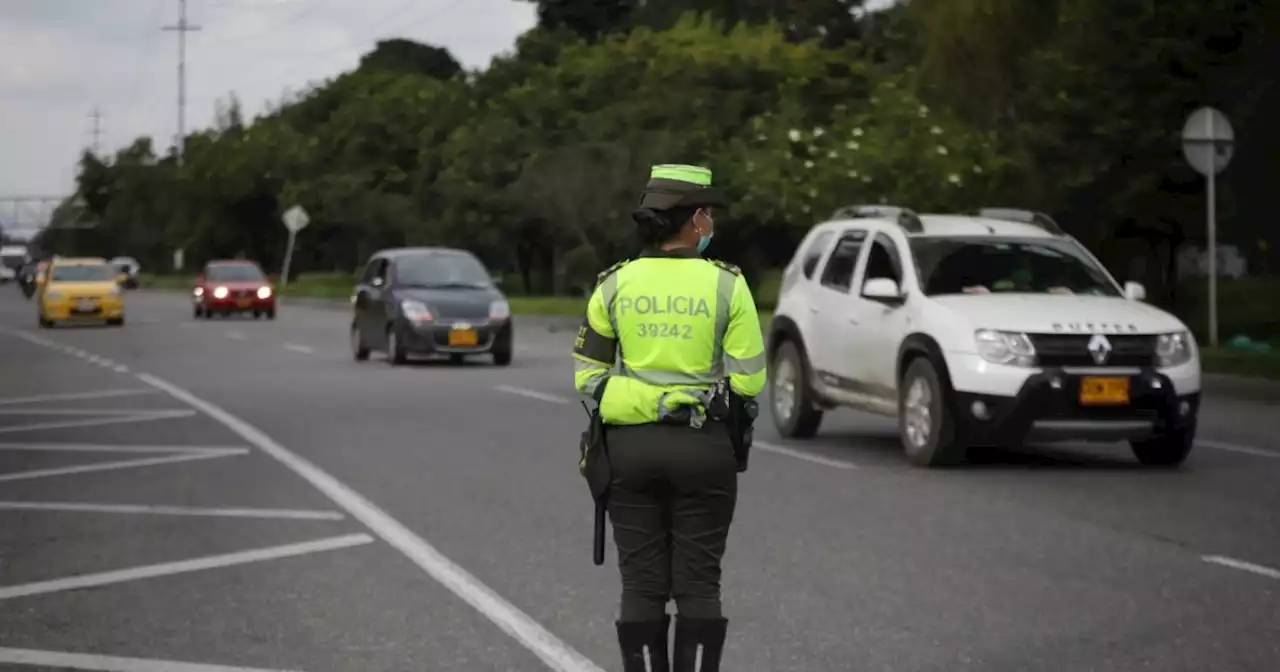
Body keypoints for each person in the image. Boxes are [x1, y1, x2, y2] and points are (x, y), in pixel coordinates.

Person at [573, 164, 767, 671]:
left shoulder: (612, 285)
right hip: (704, 449)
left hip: (629, 452)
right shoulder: (728, 286)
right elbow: (749, 382)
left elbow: (589, 381)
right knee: (699, 584)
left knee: (641, 584)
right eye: (709, 215)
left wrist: (648, 402)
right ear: (697, 219)